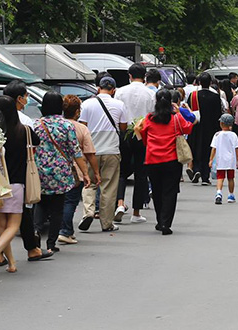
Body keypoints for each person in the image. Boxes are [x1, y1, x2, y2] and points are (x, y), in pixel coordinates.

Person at [0, 96, 44, 275]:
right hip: (17, 183)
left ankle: (11, 262)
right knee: (14, 224)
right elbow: (37, 141)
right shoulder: (23, 130)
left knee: (1, 224)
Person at [33, 92, 90, 252]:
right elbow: (76, 152)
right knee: (58, 207)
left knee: (41, 204)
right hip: (60, 172)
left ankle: (36, 233)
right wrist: (85, 173)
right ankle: (51, 244)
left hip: (40, 170)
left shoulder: (36, 125)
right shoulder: (67, 126)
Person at [1, 80, 47, 262]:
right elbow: (34, 145)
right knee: (20, 214)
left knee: (0, 217)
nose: (27, 99)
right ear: (19, 99)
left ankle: (2, 254)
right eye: (27, 96)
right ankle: (28, 248)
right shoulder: (25, 122)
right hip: (19, 174)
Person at [78, 76, 128, 232]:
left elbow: (82, 128)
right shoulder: (119, 105)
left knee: (89, 183)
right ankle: (107, 223)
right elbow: (123, 127)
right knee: (109, 187)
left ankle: (88, 212)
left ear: (98, 88)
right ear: (113, 90)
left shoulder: (86, 104)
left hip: (91, 150)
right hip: (111, 150)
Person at [139, 89, 193, 235]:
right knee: (170, 192)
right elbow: (188, 128)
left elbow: (143, 136)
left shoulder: (149, 118)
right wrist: (179, 112)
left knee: (157, 191)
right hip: (172, 160)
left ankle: (159, 220)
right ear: (171, 102)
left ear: (156, 101)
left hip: (152, 160)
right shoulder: (175, 118)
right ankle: (166, 223)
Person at [114, 63, 155, 224]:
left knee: (122, 171)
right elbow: (152, 115)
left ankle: (120, 203)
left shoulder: (120, 92)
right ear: (144, 76)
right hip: (143, 135)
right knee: (140, 173)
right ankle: (136, 212)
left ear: (129, 76)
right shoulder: (150, 93)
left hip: (125, 134)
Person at [58, 95, 100, 245]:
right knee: (71, 201)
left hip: (55, 170)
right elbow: (89, 153)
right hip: (75, 170)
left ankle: (60, 229)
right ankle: (65, 231)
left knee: (59, 202)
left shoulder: (57, 125)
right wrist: (94, 172)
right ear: (77, 111)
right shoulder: (81, 128)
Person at [186, 73, 223, 185]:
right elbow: (218, 114)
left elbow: (189, 112)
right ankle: (205, 177)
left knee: (196, 148)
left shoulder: (193, 96)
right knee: (207, 151)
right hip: (210, 128)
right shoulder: (215, 97)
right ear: (211, 83)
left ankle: (196, 169)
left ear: (198, 83)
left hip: (196, 126)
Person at [210, 114, 238, 204]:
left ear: (221, 123)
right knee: (230, 178)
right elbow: (236, 149)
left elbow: (214, 148)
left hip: (220, 159)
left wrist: (211, 159)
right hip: (231, 160)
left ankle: (219, 193)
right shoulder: (233, 135)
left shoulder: (217, 135)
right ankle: (231, 195)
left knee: (220, 177)